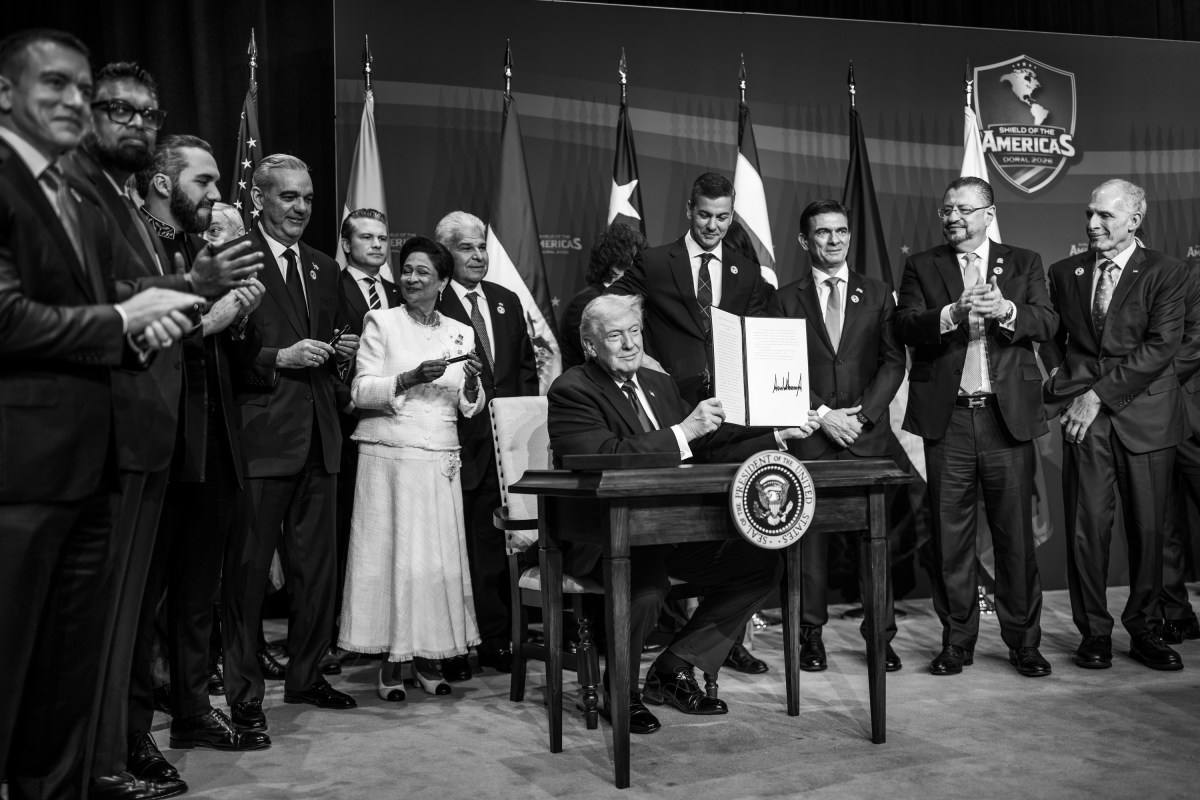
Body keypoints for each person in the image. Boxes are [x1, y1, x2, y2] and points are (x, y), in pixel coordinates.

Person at [0, 29, 201, 800]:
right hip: (20, 471)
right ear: (8, 94)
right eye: (56, 85)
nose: (74, 103)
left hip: (89, 468)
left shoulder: (66, 193)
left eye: (82, 90)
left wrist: (165, 305)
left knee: (63, 682)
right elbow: (10, 318)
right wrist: (126, 320)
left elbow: (94, 312)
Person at [547, 294, 817, 734]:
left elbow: (704, 447)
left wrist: (776, 435)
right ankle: (621, 691)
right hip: (612, 536)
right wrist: (684, 430)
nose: (630, 343)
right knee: (647, 587)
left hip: (672, 530)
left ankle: (675, 666)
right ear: (590, 345)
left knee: (761, 564)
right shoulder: (572, 389)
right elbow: (602, 455)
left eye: (635, 331)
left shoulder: (658, 384)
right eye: (616, 335)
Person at [134, 134, 270, 762]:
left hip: (215, 443)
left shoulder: (200, 247)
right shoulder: (131, 240)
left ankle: (191, 710)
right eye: (204, 182)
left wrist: (242, 317)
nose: (217, 195)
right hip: (156, 443)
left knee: (198, 593)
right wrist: (213, 315)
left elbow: (237, 361)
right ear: (163, 183)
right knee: (143, 598)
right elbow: (138, 338)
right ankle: (131, 733)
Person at [895, 176, 1058, 678]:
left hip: (1004, 418)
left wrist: (1006, 310)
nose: (952, 218)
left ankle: (1023, 642)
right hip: (949, 422)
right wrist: (951, 313)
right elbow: (903, 325)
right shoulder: (923, 265)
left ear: (988, 213)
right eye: (947, 209)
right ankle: (957, 641)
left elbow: (1047, 323)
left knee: (1014, 538)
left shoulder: (1024, 261)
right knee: (950, 540)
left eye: (963, 209)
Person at [222, 153, 360, 733]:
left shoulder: (327, 268)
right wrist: (279, 357)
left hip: (319, 438)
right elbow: (220, 353)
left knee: (316, 572)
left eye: (307, 197)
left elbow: (329, 344)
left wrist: (341, 353)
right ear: (259, 199)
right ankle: (245, 696)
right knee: (248, 578)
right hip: (260, 440)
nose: (301, 207)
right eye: (288, 197)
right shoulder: (234, 261)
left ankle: (306, 676)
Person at [1042, 179, 1188, 671]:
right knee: (1087, 531)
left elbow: (1161, 346)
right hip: (1085, 423)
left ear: (1134, 219)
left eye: (1105, 215)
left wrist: (1095, 396)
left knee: (1149, 532)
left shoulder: (1167, 271)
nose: (1092, 224)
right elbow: (1050, 338)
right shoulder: (1065, 271)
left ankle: (1145, 631)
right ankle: (1094, 634)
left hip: (1145, 417)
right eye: (1089, 214)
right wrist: (1066, 386)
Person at [338, 236, 485, 699]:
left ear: (443, 281)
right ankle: (390, 665)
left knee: (432, 562)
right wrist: (407, 377)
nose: (411, 278)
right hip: (390, 458)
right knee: (392, 557)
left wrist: (474, 382)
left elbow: (469, 408)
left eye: (423, 272)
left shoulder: (462, 332)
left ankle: (427, 657)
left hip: (439, 459)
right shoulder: (380, 321)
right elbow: (360, 391)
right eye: (407, 270)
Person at [769, 199, 906, 673]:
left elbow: (893, 362)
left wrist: (862, 417)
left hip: (867, 440)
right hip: (811, 435)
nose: (834, 240)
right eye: (823, 233)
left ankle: (879, 637)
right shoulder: (784, 299)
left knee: (875, 544)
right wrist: (826, 415)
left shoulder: (879, 292)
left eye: (842, 231)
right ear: (806, 241)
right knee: (808, 544)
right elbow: (778, 370)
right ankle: (811, 636)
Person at [435, 210, 539, 680]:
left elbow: (524, 374)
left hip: (505, 451)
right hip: (453, 448)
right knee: (453, 551)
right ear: (445, 255)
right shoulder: (432, 306)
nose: (477, 256)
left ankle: (496, 640)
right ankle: (452, 644)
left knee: (498, 550)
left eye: (481, 247)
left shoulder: (506, 300)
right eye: (466, 248)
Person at [606, 171, 773, 406]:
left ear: (732, 216)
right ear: (689, 209)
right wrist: (639, 356)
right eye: (704, 215)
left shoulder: (747, 272)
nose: (712, 226)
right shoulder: (655, 263)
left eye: (722, 217)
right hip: (666, 398)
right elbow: (604, 304)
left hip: (728, 404)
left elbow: (758, 336)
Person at [334, 208, 401, 659]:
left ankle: (390, 625)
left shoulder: (401, 292)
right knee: (350, 530)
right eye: (367, 238)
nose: (377, 245)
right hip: (345, 420)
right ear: (347, 244)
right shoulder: (329, 287)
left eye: (382, 238)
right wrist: (348, 398)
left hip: (396, 421)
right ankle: (346, 631)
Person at [1159, 257, 1200, 644]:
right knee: (1161, 521)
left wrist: (1143, 382)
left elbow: (1194, 342)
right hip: (1148, 422)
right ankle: (1175, 613)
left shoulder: (1187, 274)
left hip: (1190, 413)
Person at [561, 222, 646, 370]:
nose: (643, 270)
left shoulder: (632, 301)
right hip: (592, 390)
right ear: (616, 268)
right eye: (637, 265)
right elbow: (604, 354)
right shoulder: (587, 303)